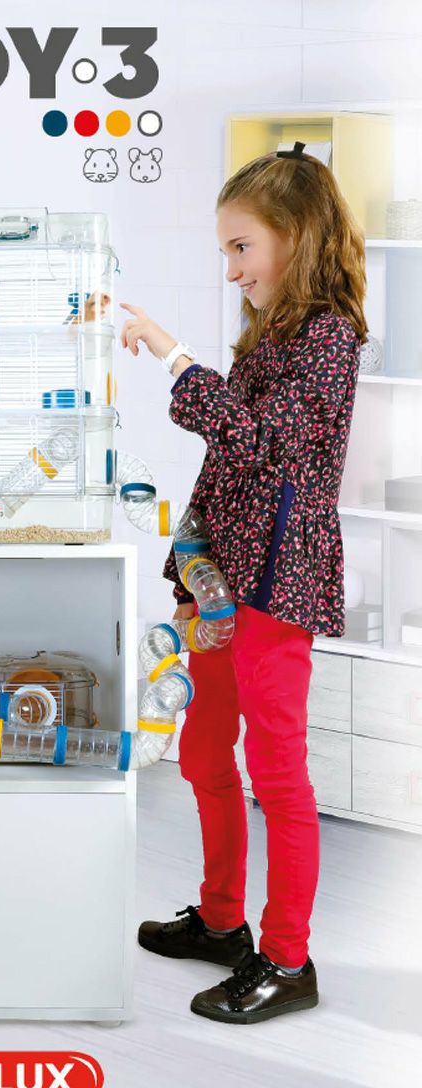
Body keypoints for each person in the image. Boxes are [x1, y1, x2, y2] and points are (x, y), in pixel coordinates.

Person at [120, 141, 367, 1023]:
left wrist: (175, 358)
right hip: (221, 576)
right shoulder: (273, 333)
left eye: (241, 247)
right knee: (202, 750)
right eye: (225, 250)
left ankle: (288, 960)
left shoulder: (330, 340)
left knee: (276, 770)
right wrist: (188, 567)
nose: (231, 270)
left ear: (297, 236)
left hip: (276, 582)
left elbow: (259, 442)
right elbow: (230, 466)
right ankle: (223, 921)